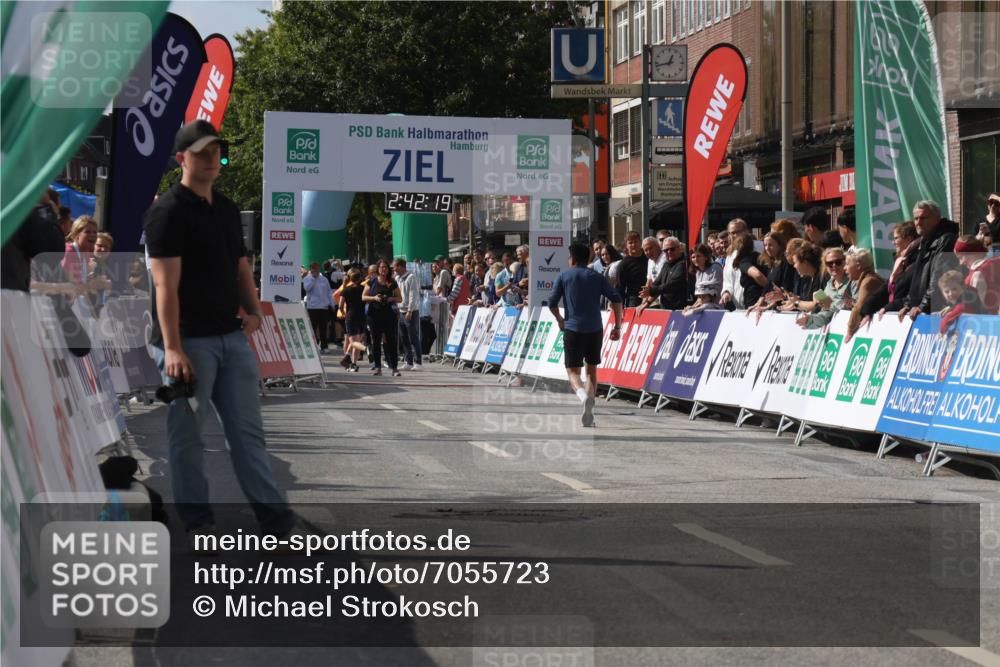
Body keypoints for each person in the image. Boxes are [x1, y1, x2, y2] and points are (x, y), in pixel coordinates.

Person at [143, 119, 295, 542]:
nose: (213, 159)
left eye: (218, 152)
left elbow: (240, 265)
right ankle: (198, 523)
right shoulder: (167, 212)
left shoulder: (226, 209)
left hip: (231, 338)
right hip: (189, 343)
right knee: (188, 439)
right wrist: (172, 348)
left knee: (248, 436)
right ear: (182, 159)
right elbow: (164, 285)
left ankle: (276, 525)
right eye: (204, 152)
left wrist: (255, 311)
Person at [548, 242, 624, 428]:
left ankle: (583, 397)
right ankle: (589, 411)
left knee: (573, 372)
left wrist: (559, 319)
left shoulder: (564, 275)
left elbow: (551, 302)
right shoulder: (597, 276)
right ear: (589, 258)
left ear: (572, 258)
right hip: (595, 328)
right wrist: (617, 326)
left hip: (573, 328)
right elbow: (616, 299)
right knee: (591, 371)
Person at [900, 200, 959, 320]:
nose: (918, 223)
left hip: (938, 313)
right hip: (924, 312)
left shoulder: (947, 239)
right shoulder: (924, 241)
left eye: (923, 218)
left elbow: (939, 277)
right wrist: (908, 304)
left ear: (937, 219)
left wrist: (923, 306)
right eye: (916, 219)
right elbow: (917, 278)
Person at [363, 259, 402, 376]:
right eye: (381, 267)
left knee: (391, 341)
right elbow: (363, 297)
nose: (383, 269)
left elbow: (400, 298)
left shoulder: (392, 282)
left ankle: (394, 368)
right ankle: (378, 367)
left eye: (385, 267)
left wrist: (390, 299)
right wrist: (374, 298)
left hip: (389, 315)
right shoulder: (372, 281)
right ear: (378, 269)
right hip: (374, 315)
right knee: (376, 341)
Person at [796, 247, 851, 329]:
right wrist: (811, 320)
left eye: (838, 262)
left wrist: (830, 305)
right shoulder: (829, 285)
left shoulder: (852, 281)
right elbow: (826, 313)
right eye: (829, 263)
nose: (834, 265)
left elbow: (854, 306)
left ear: (845, 262)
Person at [844, 248, 885, 341]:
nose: (844, 268)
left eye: (847, 264)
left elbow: (858, 308)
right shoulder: (867, 279)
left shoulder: (868, 282)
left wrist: (850, 331)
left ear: (858, 265)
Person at [640, 236, 687, 311]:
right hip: (666, 308)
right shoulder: (667, 264)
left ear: (679, 248)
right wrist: (646, 302)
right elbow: (656, 282)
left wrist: (651, 291)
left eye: (672, 249)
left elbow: (672, 284)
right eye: (666, 250)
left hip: (679, 309)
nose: (669, 252)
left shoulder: (684, 264)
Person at [955, 235, 1000, 313]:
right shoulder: (989, 267)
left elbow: (974, 309)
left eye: (961, 257)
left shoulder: (978, 273)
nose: (961, 263)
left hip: (983, 322)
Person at [394, 257, 422, 370]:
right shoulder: (397, 278)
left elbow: (413, 294)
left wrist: (410, 310)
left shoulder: (411, 277)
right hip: (400, 310)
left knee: (413, 337)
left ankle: (418, 362)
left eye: (395, 266)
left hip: (411, 311)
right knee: (403, 337)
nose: (394, 269)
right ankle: (408, 361)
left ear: (400, 266)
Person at [779, 242, 825, 312]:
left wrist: (796, 303)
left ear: (805, 262)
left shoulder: (821, 278)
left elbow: (818, 305)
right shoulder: (811, 278)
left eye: (795, 263)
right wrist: (794, 300)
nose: (794, 266)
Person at [336, 268, 367, 371]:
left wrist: (344, 313)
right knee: (357, 340)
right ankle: (353, 363)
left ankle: (366, 348)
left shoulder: (346, 290)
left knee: (353, 342)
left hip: (351, 316)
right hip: (362, 316)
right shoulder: (363, 288)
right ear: (360, 279)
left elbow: (340, 305)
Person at [719, 218, 751, 309]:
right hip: (738, 308)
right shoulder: (729, 256)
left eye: (737, 232)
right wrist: (726, 292)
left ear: (746, 231)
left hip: (755, 305)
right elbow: (727, 280)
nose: (734, 235)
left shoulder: (758, 248)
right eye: (731, 233)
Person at [303, 261, 334, 352]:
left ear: (319, 268)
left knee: (323, 327)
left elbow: (329, 292)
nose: (315, 269)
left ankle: (324, 346)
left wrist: (332, 304)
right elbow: (307, 288)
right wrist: (313, 278)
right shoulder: (307, 278)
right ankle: (314, 345)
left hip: (323, 307)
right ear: (310, 268)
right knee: (313, 327)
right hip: (312, 307)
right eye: (313, 268)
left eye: (316, 267)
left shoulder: (324, 279)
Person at [684, 243, 723, 312]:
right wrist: (692, 307)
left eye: (698, 256)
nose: (695, 259)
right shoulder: (698, 273)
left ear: (706, 257)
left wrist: (695, 307)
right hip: (705, 310)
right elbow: (700, 297)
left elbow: (714, 293)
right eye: (693, 257)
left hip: (717, 309)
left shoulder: (715, 267)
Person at [61, 214, 98, 286]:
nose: (93, 235)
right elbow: (71, 283)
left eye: (95, 232)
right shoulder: (69, 252)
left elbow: (85, 281)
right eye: (87, 232)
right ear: (76, 234)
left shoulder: (87, 254)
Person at [979, 193, 1000, 258]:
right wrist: (980, 235)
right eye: (991, 202)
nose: (993, 205)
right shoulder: (980, 220)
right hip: (984, 253)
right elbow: (975, 238)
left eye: (996, 203)